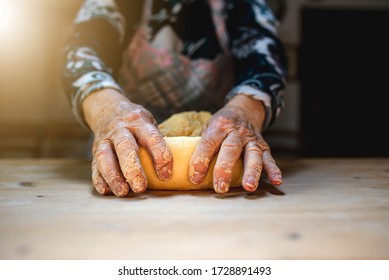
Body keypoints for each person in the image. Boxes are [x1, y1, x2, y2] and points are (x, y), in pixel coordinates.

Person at [61, 0, 287, 197]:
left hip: (223, 146)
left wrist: (243, 114)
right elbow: (80, 54)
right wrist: (108, 112)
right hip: (123, 146)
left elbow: (266, 62)